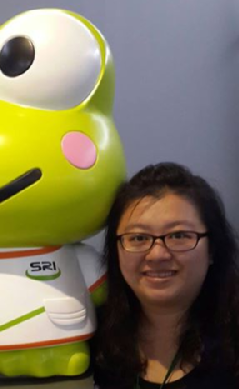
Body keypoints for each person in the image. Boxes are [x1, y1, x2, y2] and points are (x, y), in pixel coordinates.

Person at [93, 162, 239, 389]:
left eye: (179, 235)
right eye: (138, 238)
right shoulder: (88, 334)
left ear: (212, 249)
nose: (157, 255)